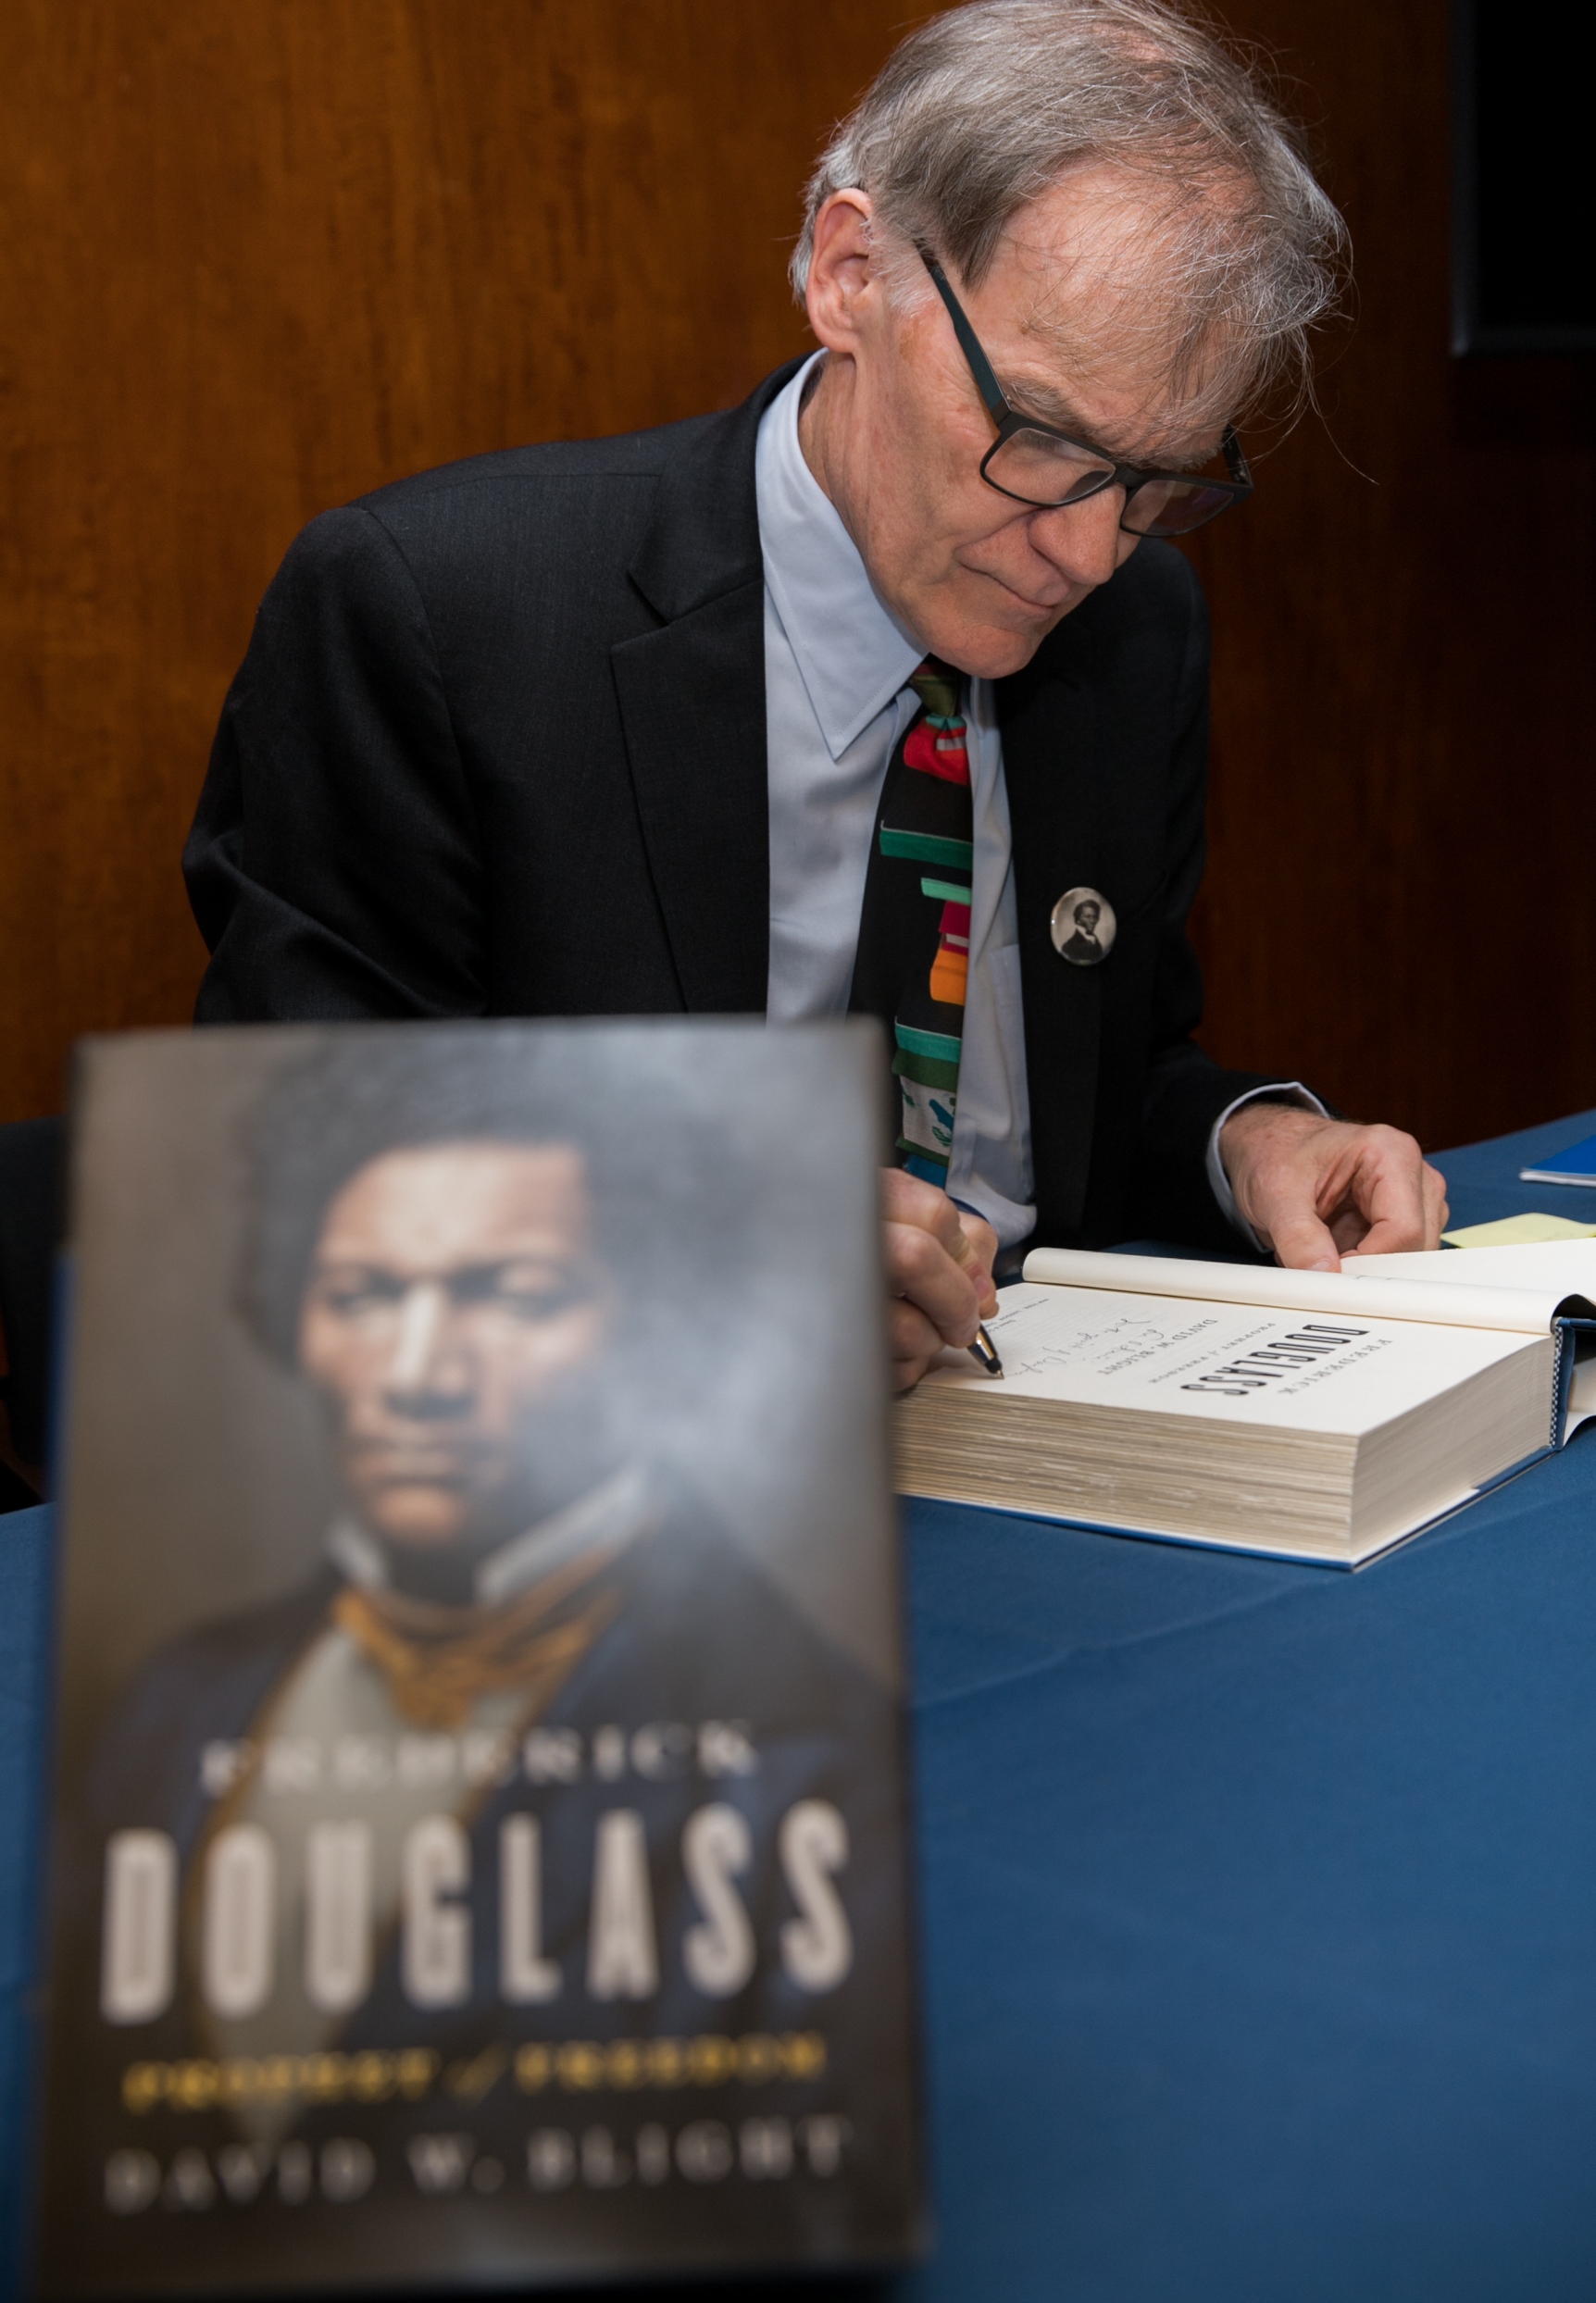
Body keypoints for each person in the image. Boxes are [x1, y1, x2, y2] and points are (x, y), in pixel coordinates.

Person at [182, 0, 1448, 1397]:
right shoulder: (438, 614)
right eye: (1039, 440)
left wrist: (1243, 1140)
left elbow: (1086, 1082)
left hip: (1044, 1430)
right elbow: (298, 1180)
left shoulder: (1140, 626)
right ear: (853, 276)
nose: (1089, 552)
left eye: (1159, 481)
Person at [45, 1039, 914, 2272]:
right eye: (361, 1296)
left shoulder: (810, 1750)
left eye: (509, 1295)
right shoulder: (173, 1700)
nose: (417, 1376)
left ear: (660, 1320)